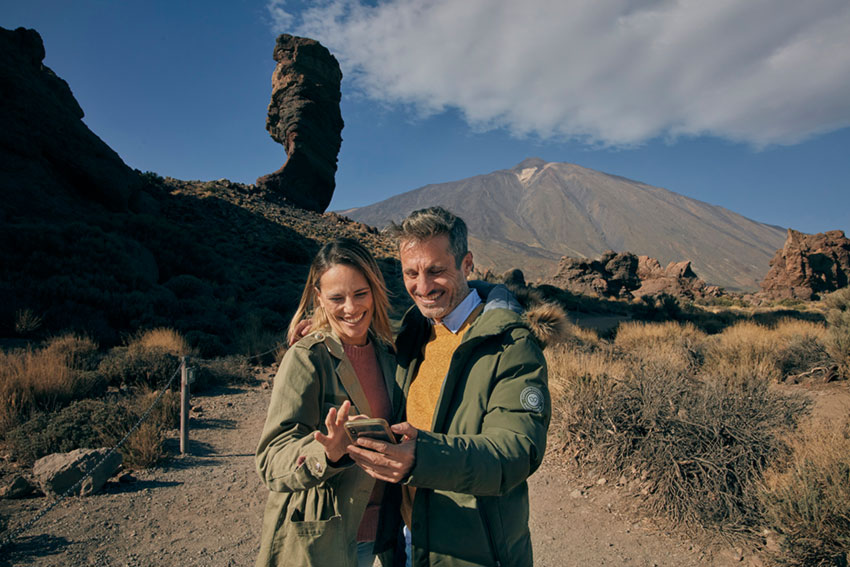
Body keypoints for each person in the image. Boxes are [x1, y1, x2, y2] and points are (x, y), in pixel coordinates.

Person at [346, 207, 564, 566]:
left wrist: (422, 457)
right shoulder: (415, 332)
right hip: (404, 541)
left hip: (472, 550)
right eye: (410, 273)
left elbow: (517, 450)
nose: (423, 286)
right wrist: (326, 335)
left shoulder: (510, 346)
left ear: (466, 265)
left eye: (436, 271)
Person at [255, 238, 404, 567]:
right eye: (337, 298)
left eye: (361, 294)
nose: (351, 308)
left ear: (376, 289)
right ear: (319, 298)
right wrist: (326, 452)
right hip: (327, 539)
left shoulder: (389, 353)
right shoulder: (308, 358)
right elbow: (271, 459)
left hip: (386, 534)